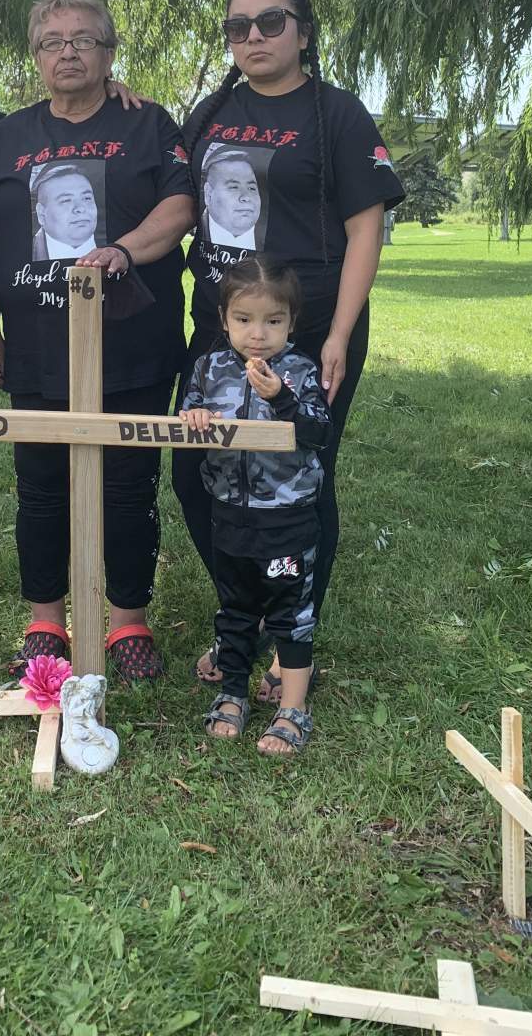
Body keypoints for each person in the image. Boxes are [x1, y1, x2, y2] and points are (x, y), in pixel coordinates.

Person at [174, 0, 405, 700]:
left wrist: (338, 333)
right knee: (196, 468)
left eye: (270, 22)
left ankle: (289, 639)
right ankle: (242, 615)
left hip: (307, 333)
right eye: (237, 27)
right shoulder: (210, 112)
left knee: (300, 477)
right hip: (220, 332)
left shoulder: (337, 113)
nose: (253, 37)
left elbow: (366, 229)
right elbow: (172, 190)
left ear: (303, 32)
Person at [0, 0, 195, 682]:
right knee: (40, 486)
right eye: (53, 41)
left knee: (129, 487)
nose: (67, 52)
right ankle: (45, 620)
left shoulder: (148, 123)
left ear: (109, 53)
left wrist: (123, 249)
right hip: (37, 346)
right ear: (35, 55)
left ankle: (128, 620)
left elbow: (182, 205)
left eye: (83, 40)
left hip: (134, 344)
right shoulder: (5, 136)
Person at [180, 258, 332, 755]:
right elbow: (187, 414)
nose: (258, 334)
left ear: (291, 322)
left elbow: (318, 432)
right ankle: (233, 694)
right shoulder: (208, 368)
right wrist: (194, 417)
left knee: (291, 612)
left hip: (287, 519)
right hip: (229, 513)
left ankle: (293, 708)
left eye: (273, 321)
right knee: (236, 609)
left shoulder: (301, 371)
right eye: (244, 319)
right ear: (224, 319)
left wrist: (282, 398)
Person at [30, 162, 100, 258]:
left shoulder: (117, 244)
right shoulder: (22, 254)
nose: (80, 208)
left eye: (87, 198)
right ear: (41, 214)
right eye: (66, 200)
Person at [200, 145, 263, 248]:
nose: (246, 197)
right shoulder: (198, 229)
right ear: (208, 194)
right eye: (234, 187)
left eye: (252, 188)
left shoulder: (276, 237)